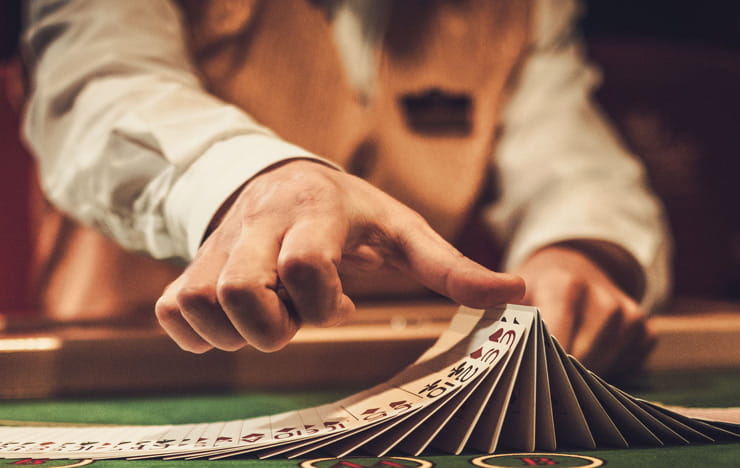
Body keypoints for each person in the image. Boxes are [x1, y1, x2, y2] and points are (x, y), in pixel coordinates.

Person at [21, 0, 670, 377]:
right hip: (134, 372)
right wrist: (252, 183)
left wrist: (579, 251)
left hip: (405, 383)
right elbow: (95, 92)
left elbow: (576, 165)